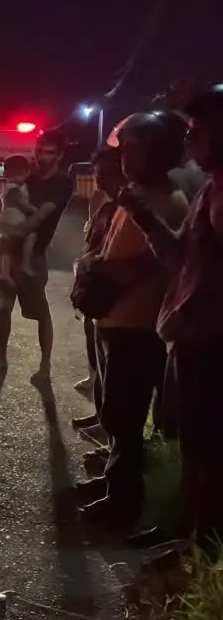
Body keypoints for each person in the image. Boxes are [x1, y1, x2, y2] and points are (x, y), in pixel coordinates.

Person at [116, 86, 223, 547]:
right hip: (191, 340)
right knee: (194, 446)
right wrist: (142, 216)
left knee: (210, 451)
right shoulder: (212, 190)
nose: (189, 143)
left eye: (197, 132)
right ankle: (187, 535)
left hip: (212, 344)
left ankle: (201, 547)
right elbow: (180, 256)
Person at [73, 112, 189, 533]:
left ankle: (123, 504)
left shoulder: (166, 202)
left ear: (159, 153)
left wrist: (97, 270)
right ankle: (113, 485)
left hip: (137, 325)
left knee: (125, 416)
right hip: (115, 320)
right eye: (126, 149)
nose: (125, 158)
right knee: (115, 412)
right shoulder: (135, 195)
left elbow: (149, 266)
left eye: (135, 150)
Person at [0, 130, 75, 381]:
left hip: (32, 253)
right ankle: (1, 358)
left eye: (49, 152)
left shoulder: (62, 182)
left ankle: (45, 366)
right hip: (7, 249)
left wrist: (17, 223)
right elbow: (7, 203)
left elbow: (42, 216)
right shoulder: (26, 175)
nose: (42, 157)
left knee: (40, 312)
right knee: (3, 307)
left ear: (59, 155)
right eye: (40, 150)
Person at [72, 148, 125, 443]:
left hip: (112, 302)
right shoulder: (107, 204)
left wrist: (91, 264)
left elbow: (108, 253)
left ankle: (110, 433)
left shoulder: (126, 207)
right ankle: (101, 415)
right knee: (97, 361)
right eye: (96, 173)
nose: (98, 178)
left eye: (104, 172)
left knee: (113, 373)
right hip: (96, 297)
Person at [0, 156, 39, 296]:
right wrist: (36, 211)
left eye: (19, 174)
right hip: (13, 220)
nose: (17, 178)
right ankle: (25, 263)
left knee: (8, 247)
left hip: (9, 220)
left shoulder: (13, 187)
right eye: (13, 175)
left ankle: (6, 273)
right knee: (30, 237)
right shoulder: (14, 189)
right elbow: (22, 205)